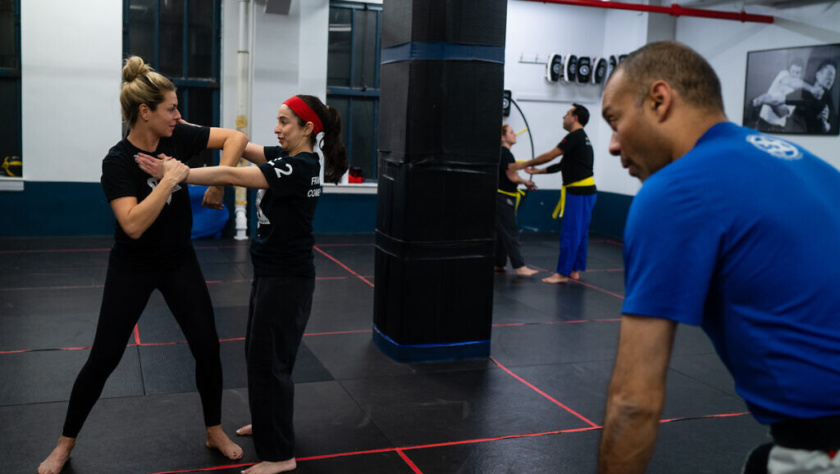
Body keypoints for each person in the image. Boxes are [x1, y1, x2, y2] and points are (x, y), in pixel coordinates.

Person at [598, 41, 840, 474]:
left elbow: (634, 403)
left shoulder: (676, 190)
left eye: (615, 121)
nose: (613, 145)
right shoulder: (813, 166)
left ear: (659, 100)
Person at [37, 57, 248, 474]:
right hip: (133, 265)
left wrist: (219, 185)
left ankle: (213, 429)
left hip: (178, 261)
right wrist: (171, 179)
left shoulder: (179, 136)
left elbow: (236, 138)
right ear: (145, 112)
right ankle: (64, 444)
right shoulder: (117, 162)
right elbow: (132, 224)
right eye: (171, 108)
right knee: (104, 357)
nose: (179, 115)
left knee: (207, 346)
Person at [138, 94, 348, 474]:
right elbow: (241, 146)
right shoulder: (288, 157)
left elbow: (235, 175)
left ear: (308, 128)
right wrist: (176, 124)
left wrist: (179, 174)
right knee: (259, 356)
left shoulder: (300, 166)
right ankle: (270, 425)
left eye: (284, 122)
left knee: (272, 364)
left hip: (288, 281)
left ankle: (280, 455)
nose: (276, 128)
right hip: (272, 274)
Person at [518, 103, 596, 284]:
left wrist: (523, 164)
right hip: (586, 191)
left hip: (578, 192)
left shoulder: (574, 136)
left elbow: (550, 155)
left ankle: (561, 274)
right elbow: (562, 165)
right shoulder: (581, 138)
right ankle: (574, 270)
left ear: (575, 118)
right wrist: (537, 171)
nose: (563, 117)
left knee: (571, 233)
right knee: (580, 233)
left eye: (567, 114)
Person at [495, 124, 539, 276]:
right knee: (511, 231)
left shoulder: (502, 153)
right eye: (511, 133)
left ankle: (499, 264)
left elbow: (511, 173)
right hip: (502, 198)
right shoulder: (506, 154)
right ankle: (520, 267)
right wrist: (526, 182)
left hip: (499, 197)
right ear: (503, 137)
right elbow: (512, 176)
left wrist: (525, 181)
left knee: (501, 232)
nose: (515, 135)